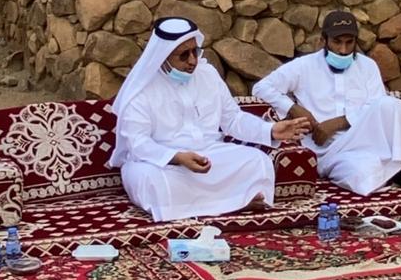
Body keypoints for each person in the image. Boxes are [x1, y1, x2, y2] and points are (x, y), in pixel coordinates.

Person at [109, 16, 309, 222]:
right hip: (161, 162)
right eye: (183, 55)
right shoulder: (142, 89)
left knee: (257, 161)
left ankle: (219, 204)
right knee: (153, 182)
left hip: (209, 153)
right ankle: (234, 202)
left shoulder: (208, 75)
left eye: (195, 51)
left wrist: (270, 130)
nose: (192, 61)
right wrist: (177, 157)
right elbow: (138, 143)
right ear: (163, 56)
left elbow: (233, 119)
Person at [253, 9, 401, 196]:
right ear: (323, 41)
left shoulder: (367, 66)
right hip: (328, 150)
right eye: (337, 42)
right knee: (364, 175)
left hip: (364, 139)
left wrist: (338, 123)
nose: (343, 50)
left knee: (393, 105)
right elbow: (261, 88)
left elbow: (376, 107)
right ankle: (391, 169)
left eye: (349, 42)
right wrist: (293, 108)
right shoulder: (303, 66)